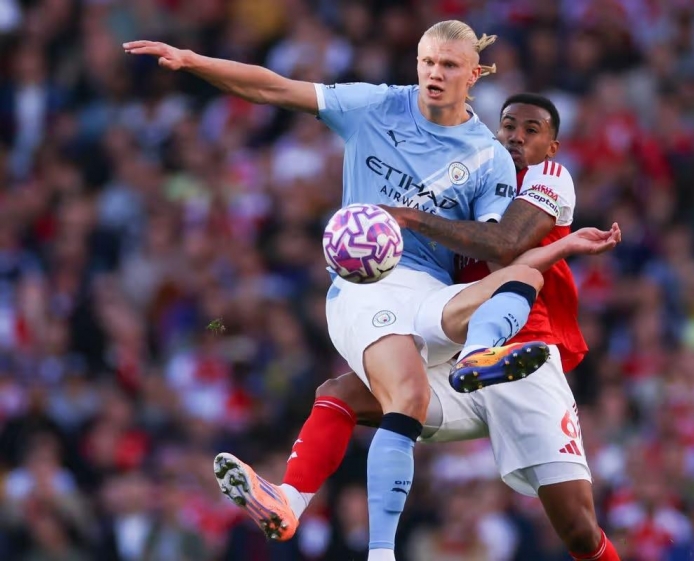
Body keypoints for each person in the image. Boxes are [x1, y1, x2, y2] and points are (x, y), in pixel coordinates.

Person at [125, 20, 582, 561]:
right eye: (427, 62)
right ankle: (380, 552)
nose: (435, 74)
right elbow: (275, 87)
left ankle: (293, 495)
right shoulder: (375, 105)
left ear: (474, 74)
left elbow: (497, 245)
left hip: (430, 293)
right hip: (365, 283)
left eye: (449, 65)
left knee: (519, 279)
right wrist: (195, 61)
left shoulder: (489, 156)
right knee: (407, 394)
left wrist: (412, 218)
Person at [213, 94, 622, 561]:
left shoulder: (549, 176)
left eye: (531, 130)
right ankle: (289, 501)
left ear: (551, 146)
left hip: (522, 359)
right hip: (456, 356)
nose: (516, 136)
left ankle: (483, 354)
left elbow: (506, 248)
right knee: (341, 392)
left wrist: (409, 216)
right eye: (508, 125)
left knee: (579, 531)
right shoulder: (472, 178)